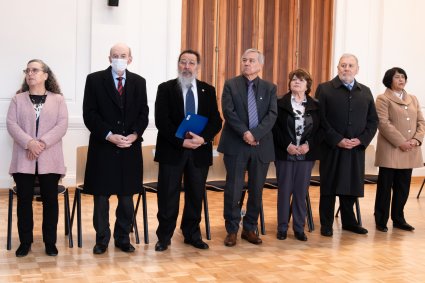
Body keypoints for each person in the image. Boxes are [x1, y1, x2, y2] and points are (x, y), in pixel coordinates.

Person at [82, 43, 149, 254]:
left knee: (127, 199)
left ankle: (123, 238)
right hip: (103, 148)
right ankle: (102, 239)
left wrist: (134, 134)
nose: (119, 58)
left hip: (130, 148)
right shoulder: (94, 80)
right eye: (115, 55)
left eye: (123, 55)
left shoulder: (139, 82)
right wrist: (110, 136)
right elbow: (89, 114)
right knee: (101, 199)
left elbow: (143, 114)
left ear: (130, 59)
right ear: (109, 58)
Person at [154, 49, 222, 252]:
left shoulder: (207, 90)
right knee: (168, 195)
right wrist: (180, 142)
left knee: (195, 194)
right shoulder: (165, 88)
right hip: (173, 150)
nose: (186, 66)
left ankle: (191, 233)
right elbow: (161, 121)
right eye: (183, 62)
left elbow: (216, 120)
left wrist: (204, 138)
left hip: (199, 151)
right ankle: (164, 237)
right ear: (178, 65)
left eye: (191, 63)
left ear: (198, 67)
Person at [7, 59, 68, 257]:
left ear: (45, 75)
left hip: (50, 158)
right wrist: (29, 143)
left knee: (50, 201)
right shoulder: (18, 99)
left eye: (35, 70)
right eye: (27, 70)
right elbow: (12, 124)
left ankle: (50, 242)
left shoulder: (58, 99)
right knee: (24, 201)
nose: (30, 73)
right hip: (23, 159)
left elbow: (62, 125)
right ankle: (25, 242)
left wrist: (40, 143)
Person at [218, 48, 277, 247]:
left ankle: (250, 228)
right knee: (233, 189)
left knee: (256, 189)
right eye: (244, 60)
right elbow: (228, 111)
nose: (246, 63)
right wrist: (245, 133)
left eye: (251, 60)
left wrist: (256, 134)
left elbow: (272, 114)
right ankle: (232, 229)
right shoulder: (231, 85)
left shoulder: (270, 88)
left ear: (260, 65)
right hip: (236, 144)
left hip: (260, 146)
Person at [316, 53, 378, 236]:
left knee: (350, 186)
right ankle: (326, 224)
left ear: (357, 69)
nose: (346, 69)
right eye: (343, 65)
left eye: (351, 66)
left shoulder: (365, 91)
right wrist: (337, 139)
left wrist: (361, 140)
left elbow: (373, 121)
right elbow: (321, 119)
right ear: (337, 68)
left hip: (355, 148)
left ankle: (350, 222)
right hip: (332, 147)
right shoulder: (325, 89)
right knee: (328, 187)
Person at [374, 67, 425, 232]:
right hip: (391, 150)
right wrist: (402, 142)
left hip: (410, 150)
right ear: (389, 80)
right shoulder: (382, 99)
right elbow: (383, 123)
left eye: (403, 77)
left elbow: (421, 122)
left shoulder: (414, 99)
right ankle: (381, 219)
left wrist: (416, 140)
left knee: (403, 187)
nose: (401, 80)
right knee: (385, 187)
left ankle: (398, 218)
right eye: (397, 77)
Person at [272, 69, 321, 241]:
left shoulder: (316, 105)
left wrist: (309, 145)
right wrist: (287, 145)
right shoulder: (279, 103)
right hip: (285, 154)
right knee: (284, 191)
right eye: (293, 79)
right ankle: (282, 227)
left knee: (301, 192)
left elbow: (320, 130)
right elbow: (275, 128)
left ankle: (299, 228)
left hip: (306, 155)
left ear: (307, 85)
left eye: (301, 80)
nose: (296, 82)